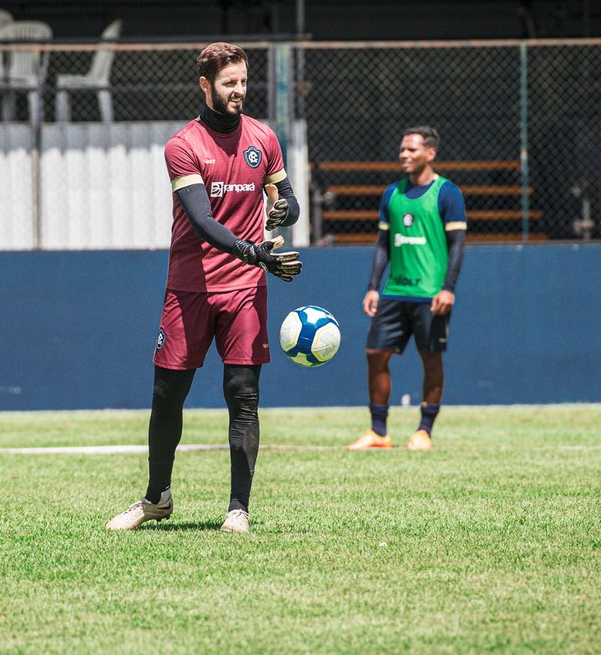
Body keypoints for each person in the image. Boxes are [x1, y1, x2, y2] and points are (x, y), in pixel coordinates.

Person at [106, 42, 302, 533]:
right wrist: (257, 251)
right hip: (190, 288)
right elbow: (201, 221)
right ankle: (157, 499)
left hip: (244, 289)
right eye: (229, 83)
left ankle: (239, 509)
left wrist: (284, 212)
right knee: (167, 395)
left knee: (243, 394)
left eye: (242, 81)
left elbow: (288, 198)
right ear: (204, 85)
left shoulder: (263, 137)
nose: (239, 90)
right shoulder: (183, 145)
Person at [347, 126, 466, 452]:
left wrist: (448, 288)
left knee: (431, 360)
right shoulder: (392, 194)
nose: (404, 154)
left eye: (412, 150)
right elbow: (383, 243)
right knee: (375, 354)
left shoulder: (447, 192)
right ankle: (378, 432)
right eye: (402, 149)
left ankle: (424, 431)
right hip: (395, 292)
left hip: (430, 295)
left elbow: (457, 244)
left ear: (430, 153)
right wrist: (373, 287)